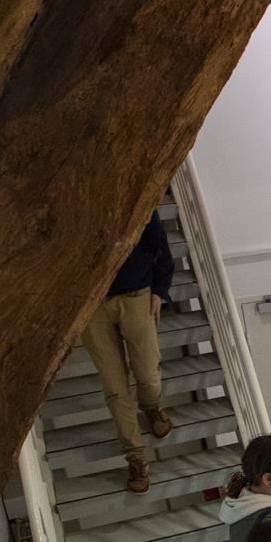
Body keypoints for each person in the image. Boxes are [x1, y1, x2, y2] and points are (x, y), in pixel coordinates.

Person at [80, 209, 175, 493]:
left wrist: (159, 289)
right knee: (115, 386)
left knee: (147, 373)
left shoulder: (129, 193)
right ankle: (136, 457)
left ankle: (152, 407)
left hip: (136, 293)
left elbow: (158, 242)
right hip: (89, 303)